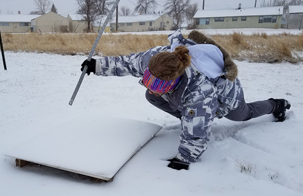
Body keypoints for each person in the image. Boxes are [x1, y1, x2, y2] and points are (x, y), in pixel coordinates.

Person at [81, 29, 291, 171]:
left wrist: (184, 159)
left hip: (226, 95)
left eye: (159, 86)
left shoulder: (199, 91)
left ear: (175, 79)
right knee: (151, 98)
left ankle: (276, 104)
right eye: (148, 80)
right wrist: (96, 66)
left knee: (243, 115)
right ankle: (187, 119)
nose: (153, 89)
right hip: (187, 97)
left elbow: (198, 135)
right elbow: (125, 63)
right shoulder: (155, 59)